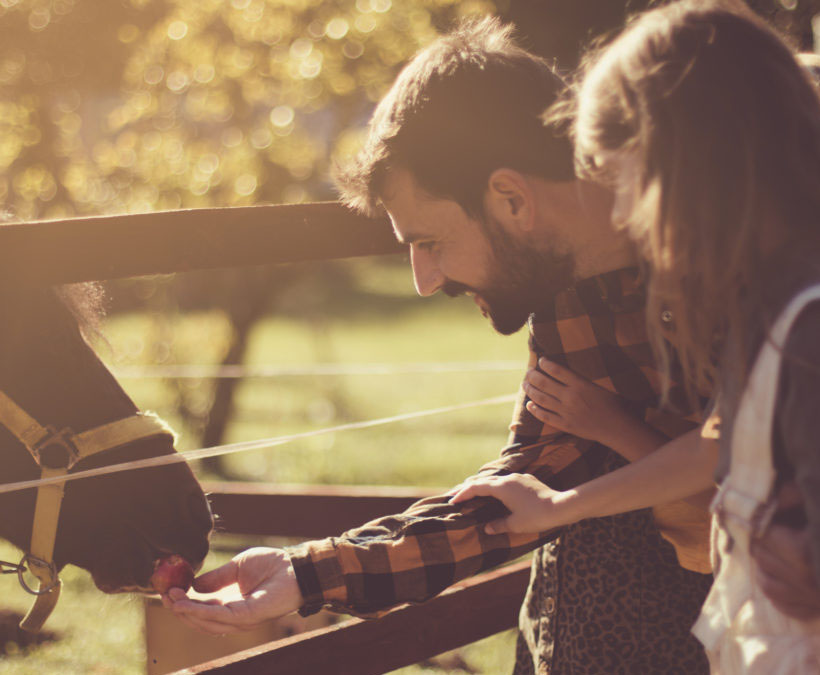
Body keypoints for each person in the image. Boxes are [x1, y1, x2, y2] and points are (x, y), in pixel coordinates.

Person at [166, 17, 714, 673]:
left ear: (511, 197)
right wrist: (304, 572)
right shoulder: (565, 299)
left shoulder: (734, 257)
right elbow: (512, 498)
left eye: (429, 242)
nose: (424, 282)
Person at [450, 2, 820, 670]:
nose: (620, 213)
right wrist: (561, 506)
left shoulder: (807, 322)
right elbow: (722, 438)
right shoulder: (764, 302)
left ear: (686, 161)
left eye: (622, 181)